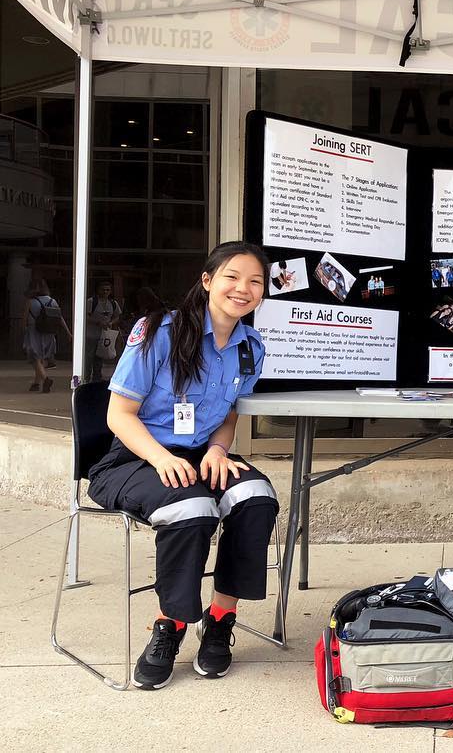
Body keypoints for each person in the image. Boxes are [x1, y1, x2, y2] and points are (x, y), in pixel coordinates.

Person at [86, 242, 280, 690]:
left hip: (199, 456)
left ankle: (219, 619)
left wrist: (218, 450)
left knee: (256, 497)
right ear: (208, 280)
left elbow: (228, 413)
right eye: (232, 277)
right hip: (135, 458)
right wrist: (161, 458)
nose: (243, 288)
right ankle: (169, 626)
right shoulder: (158, 331)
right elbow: (119, 415)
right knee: (191, 508)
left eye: (255, 281)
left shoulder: (251, 347)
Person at [22, 278, 72, 393]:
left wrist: (24, 330)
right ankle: (36, 383)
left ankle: (45, 379)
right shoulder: (52, 301)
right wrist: (68, 332)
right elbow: (59, 318)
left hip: (33, 331)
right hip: (48, 332)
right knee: (42, 358)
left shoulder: (30, 301)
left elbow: (24, 319)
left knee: (34, 358)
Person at [86, 280, 122, 381]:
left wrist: (111, 322)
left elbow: (117, 316)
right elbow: (85, 316)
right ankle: (86, 377)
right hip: (91, 334)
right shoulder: (91, 302)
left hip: (105, 335)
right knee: (88, 358)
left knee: (100, 358)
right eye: (103, 290)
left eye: (108, 290)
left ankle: (97, 378)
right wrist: (97, 322)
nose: (105, 292)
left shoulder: (113, 303)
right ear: (98, 290)